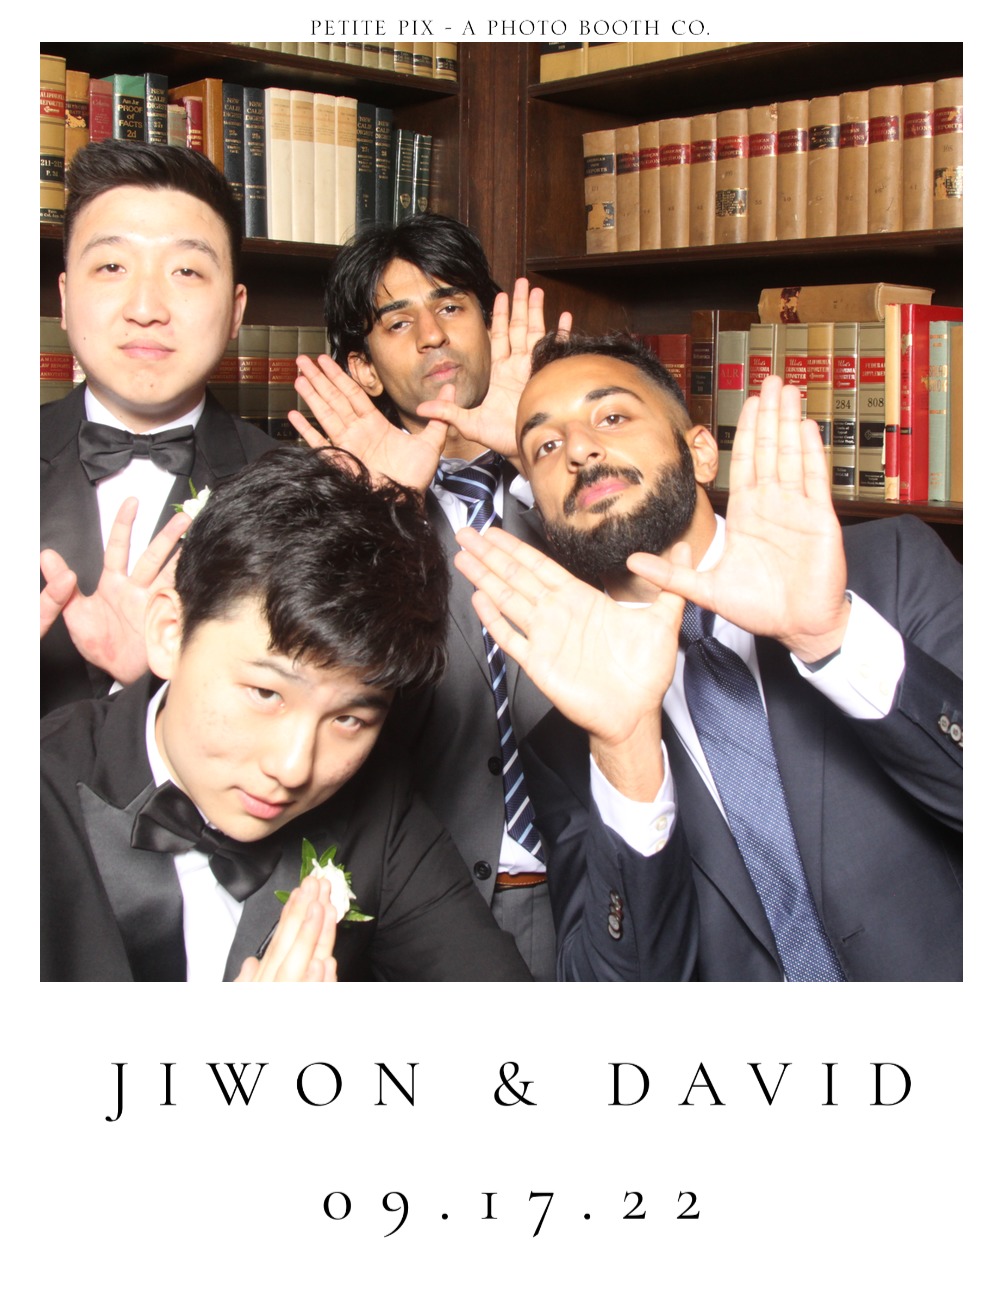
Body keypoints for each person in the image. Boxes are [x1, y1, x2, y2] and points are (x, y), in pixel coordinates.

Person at [454, 332, 962, 981]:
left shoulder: (891, 567)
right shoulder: (569, 741)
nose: (578, 448)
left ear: (699, 452)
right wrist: (626, 751)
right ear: (545, 514)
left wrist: (830, 637)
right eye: (545, 447)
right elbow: (617, 992)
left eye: (612, 416)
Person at [41, 446, 532, 983]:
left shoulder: (380, 807)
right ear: (168, 633)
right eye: (265, 693)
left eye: (349, 719)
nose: (295, 769)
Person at [290, 214, 570, 980]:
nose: (434, 336)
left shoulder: (577, 479)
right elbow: (329, 690)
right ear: (365, 370)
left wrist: (536, 450)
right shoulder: (343, 510)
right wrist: (389, 515)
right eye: (398, 321)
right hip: (425, 904)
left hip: (590, 889)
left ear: (490, 325)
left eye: (451, 305)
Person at [41, 139, 275, 716]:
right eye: (112, 266)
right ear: (64, 299)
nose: (146, 308)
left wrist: (153, 684)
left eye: (186, 270)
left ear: (236, 312)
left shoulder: (290, 490)